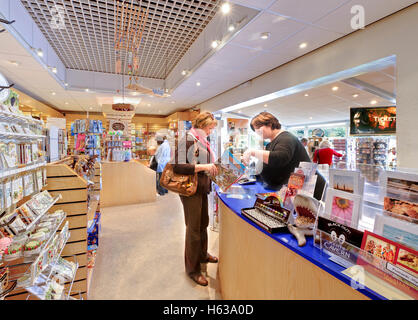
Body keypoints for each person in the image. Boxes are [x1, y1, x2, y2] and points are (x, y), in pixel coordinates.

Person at [172, 112, 219, 286]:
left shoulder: (200, 139)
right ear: (202, 125)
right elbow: (178, 166)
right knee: (193, 228)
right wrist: (204, 166)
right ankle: (192, 269)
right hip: (191, 190)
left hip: (201, 189)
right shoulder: (189, 139)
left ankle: (202, 254)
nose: (211, 131)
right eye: (209, 128)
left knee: (203, 223)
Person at [243, 112, 311, 190]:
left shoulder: (286, 138)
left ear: (270, 124)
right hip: (277, 188)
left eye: (258, 127)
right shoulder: (271, 143)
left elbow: (280, 158)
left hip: (299, 191)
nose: (256, 131)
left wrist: (252, 152)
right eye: (255, 129)